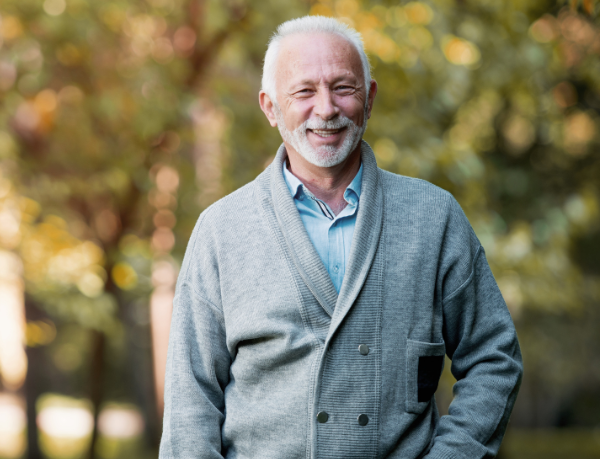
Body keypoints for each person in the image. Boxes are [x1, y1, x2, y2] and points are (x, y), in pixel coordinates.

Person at [159, 15, 523, 459]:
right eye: (304, 91)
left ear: (369, 100)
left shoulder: (434, 218)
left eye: (343, 88)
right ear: (270, 106)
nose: (327, 108)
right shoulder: (222, 230)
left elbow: (494, 358)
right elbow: (189, 403)